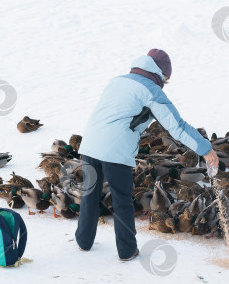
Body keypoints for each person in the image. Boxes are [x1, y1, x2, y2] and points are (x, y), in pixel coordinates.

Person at [75, 48, 219, 261]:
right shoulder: (152, 90)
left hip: (90, 144)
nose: (165, 83)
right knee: (122, 199)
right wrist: (206, 150)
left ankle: (83, 242)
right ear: (161, 73)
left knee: (90, 193)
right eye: (166, 79)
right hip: (116, 150)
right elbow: (177, 127)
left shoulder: (117, 80)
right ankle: (126, 251)